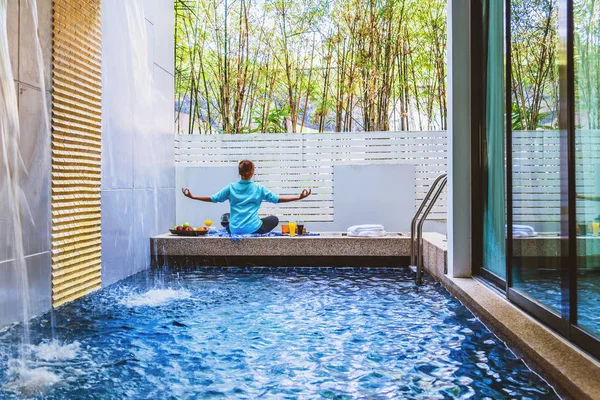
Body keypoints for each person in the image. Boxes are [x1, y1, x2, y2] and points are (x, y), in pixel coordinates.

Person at [181, 160, 311, 234]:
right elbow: (277, 200)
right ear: (253, 172)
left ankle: (234, 227)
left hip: (234, 229)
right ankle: (247, 225)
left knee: (228, 217)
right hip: (253, 228)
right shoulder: (259, 189)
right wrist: (298, 197)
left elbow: (213, 198)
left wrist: (193, 197)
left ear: (239, 173)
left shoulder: (231, 187)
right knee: (273, 219)